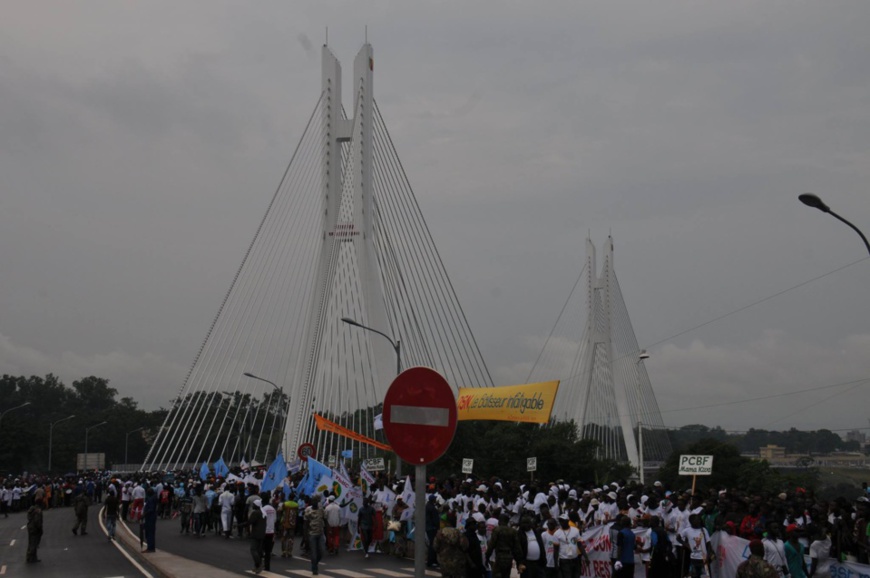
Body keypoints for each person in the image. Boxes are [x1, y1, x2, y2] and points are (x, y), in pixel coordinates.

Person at [488, 513, 525, 578]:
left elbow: (491, 545)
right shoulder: (513, 531)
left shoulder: (496, 530)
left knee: (496, 575)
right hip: (509, 558)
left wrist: (487, 557)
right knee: (506, 575)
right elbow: (517, 548)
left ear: (499, 521)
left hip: (499, 557)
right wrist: (519, 562)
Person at [305, 499, 327, 575]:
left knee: (322, 551)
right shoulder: (308, 511)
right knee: (314, 553)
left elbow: (325, 519)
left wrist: (326, 531)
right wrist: (305, 535)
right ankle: (314, 568)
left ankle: (315, 562)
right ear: (312, 503)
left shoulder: (321, 510)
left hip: (320, 533)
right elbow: (306, 523)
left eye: (316, 502)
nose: (315, 503)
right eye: (314, 502)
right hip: (312, 534)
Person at [248, 499, 267, 574]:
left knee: (253, 549)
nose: (252, 506)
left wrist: (239, 525)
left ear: (256, 505)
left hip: (256, 534)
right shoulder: (263, 513)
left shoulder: (255, 513)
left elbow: (250, 522)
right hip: (262, 534)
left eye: (253, 504)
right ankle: (257, 567)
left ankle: (259, 564)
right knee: (258, 551)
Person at [261, 493, 277, 571]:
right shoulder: (273, 509)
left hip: (264, 531)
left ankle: (260, 565)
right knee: (268, 551)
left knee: (261, 549)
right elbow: (275, 520)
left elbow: (261, 520)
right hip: (271, 531)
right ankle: (267, 567)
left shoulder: (263, 509)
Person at [142, 486, 158, 552]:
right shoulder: (154, 498)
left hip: (150, 517)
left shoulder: (151, 499)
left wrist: (144, 514)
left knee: (149, 533)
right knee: (150, 532)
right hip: (151, 517)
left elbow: (151, 509)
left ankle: (150, 548)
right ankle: (151, 547)